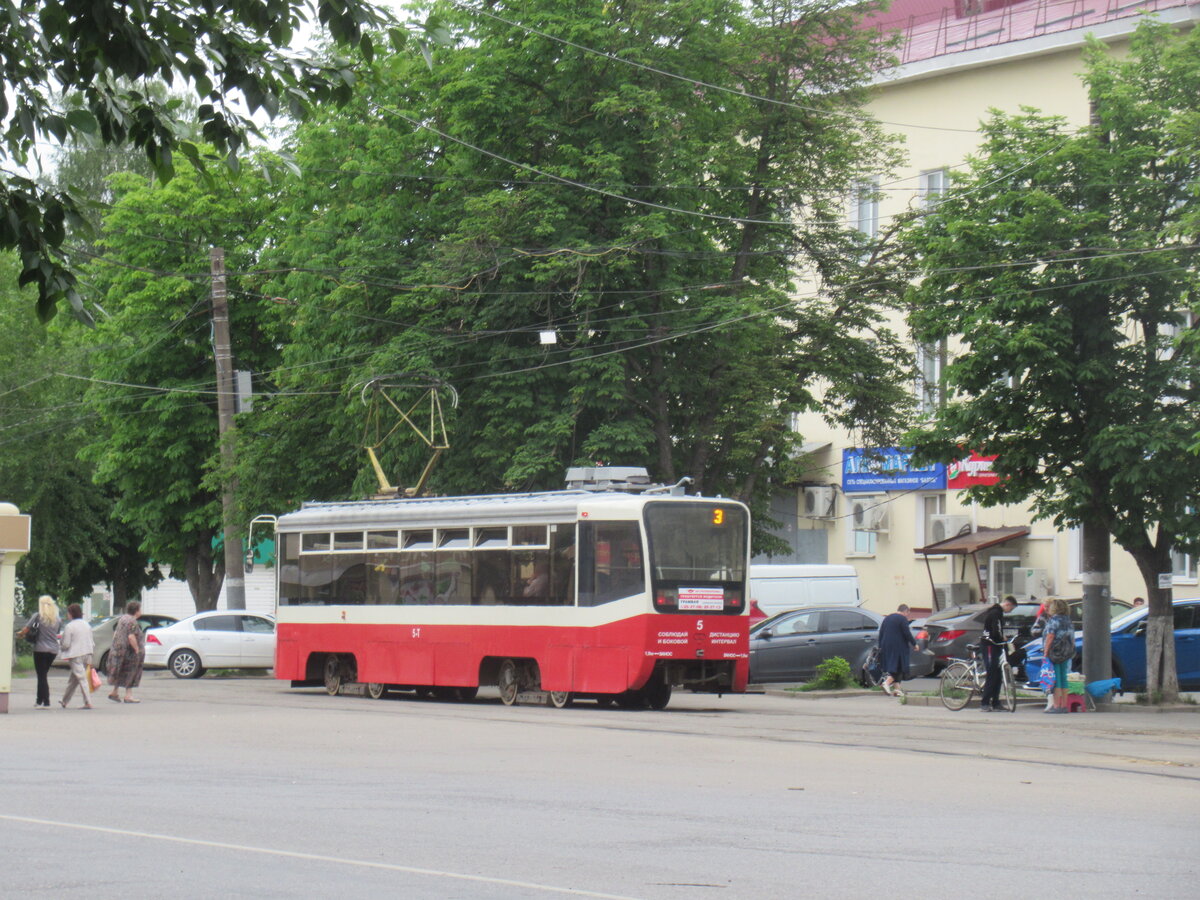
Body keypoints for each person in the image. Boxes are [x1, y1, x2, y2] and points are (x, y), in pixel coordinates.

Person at [18, 595, 61, 709]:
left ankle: (46, 701)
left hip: (40, 649)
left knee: (41, 676)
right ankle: (39, 700)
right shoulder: (57, 618)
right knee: (43, 675)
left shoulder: (37, 616)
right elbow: (57, 632)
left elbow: (26, 630)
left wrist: (20, 634)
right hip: (53, 650)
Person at [978, 595, 1017, 711]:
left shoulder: (997, 612)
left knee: (998, 673)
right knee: (992, 673)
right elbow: (996, 630)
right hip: (989, 644)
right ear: (1007, 604)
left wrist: (1001, 637)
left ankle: (996, 702)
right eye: (1011, 609)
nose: (1010, 611)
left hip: (995, 645)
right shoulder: (996, 613)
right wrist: (1001, 638)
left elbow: (997, 630)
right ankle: (985, 702)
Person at [106, 600, 145, 704]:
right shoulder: (132, 621)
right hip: (128, 653)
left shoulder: (122, 619)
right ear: (136, 611)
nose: (141, 611)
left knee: (120, 670)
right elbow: (131, 636)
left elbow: (116, 634)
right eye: (140, 609)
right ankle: (128, 696)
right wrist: (137, 650)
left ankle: (114, 692)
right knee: (130, 672)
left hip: (118, 650)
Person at [58, 603, 95, 709]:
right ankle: (64, 701)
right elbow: (91, 641)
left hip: (75, 655)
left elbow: (66, 644)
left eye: (68, 613)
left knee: (82, 678)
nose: (67, 615)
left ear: (71, 614)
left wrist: (62, 647)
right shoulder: (87, 625)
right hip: (87, 653)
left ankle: (88, 702)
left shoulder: (69, 626)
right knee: (74, 679)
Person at [1042, 597, 1074, 714]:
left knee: (1055, 679)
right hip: (1066, 652)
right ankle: (1064, 705)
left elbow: (1050, 636)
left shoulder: (1053, 620)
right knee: (1063, 677)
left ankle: (1056, 705)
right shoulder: (1068, 620)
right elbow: (1072, 637)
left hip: (1055, 652)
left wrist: (1045, 652)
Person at [878, 603, 917, 698]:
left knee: (893, 665)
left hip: (886, 645)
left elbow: (881, 632)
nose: (908, 615)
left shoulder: (887, 618)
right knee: (899, 666)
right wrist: (914, 643)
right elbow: (906, 633)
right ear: (905, 611)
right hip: (898, 647)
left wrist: (880, 646)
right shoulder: (902, 619)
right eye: (908, 613)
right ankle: (886, 683)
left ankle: (897, 690)